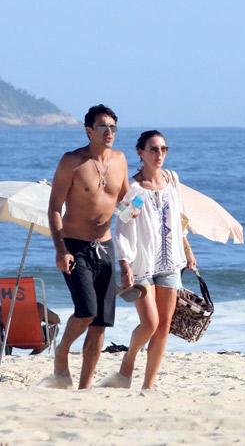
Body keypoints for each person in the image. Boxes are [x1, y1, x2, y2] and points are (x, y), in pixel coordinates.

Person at [45, 104, 133, 389]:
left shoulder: (119, 160)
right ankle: (61, 350)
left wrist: (140, 207)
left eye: (113, 127)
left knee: (100, 324)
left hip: (106, 248)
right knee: (86, 311)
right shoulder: (72, 161)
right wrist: (61, 249)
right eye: (102, 127)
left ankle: (83, 388)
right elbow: (55, 207)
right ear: (88, 131)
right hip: (75, 246)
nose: (109, 132)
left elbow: (127, 202)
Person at [101, 130, 196, 390]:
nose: (159, 154)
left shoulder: (172, 180)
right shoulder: (132, 188)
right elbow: (119, 226)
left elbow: (179, 219)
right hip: (142, 263)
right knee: (150, 323)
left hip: (171, 261)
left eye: (164, 149)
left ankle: (148, 385)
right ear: (140, 153)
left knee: (164, 326)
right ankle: (129, 359)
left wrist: (187, 249)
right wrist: (123, 263)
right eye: (153, 149)